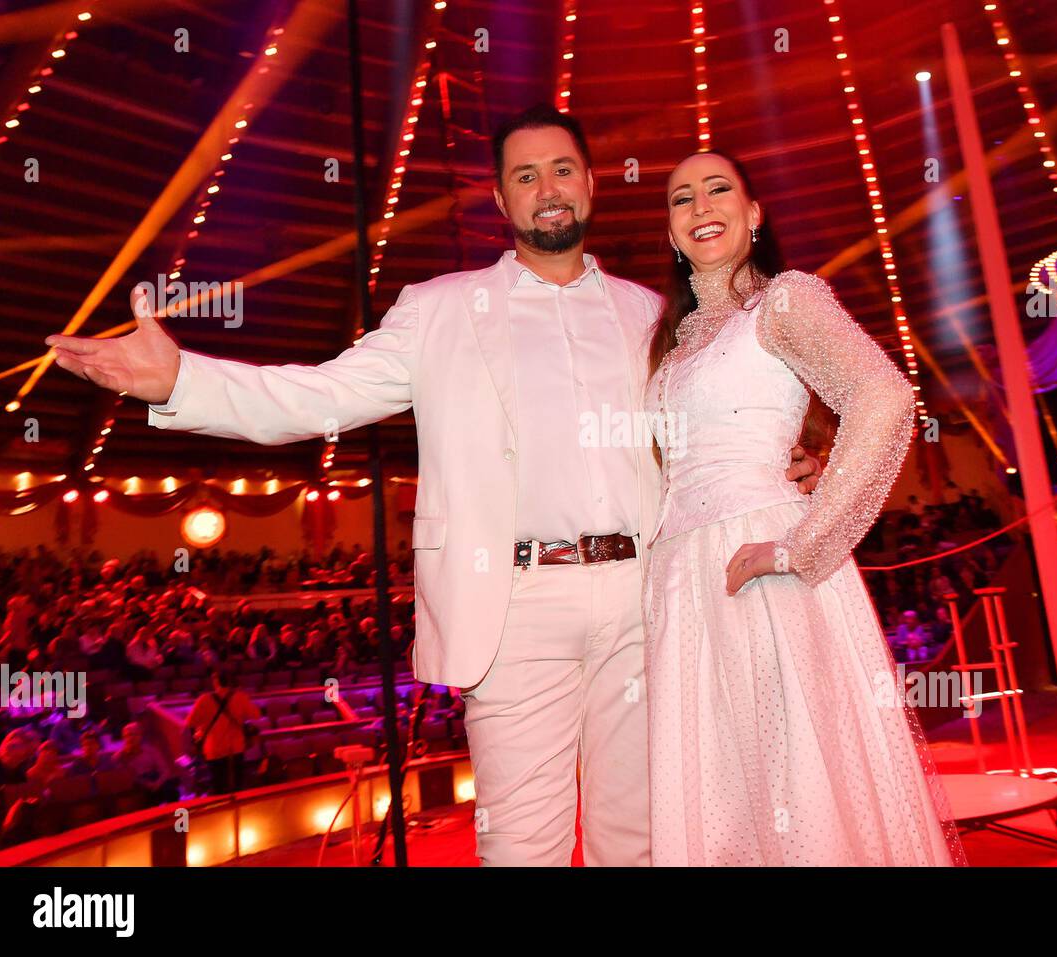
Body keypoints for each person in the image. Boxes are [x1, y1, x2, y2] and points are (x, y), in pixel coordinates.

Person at [43, 105, 819, 865]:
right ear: (502, 199)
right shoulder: (439, 310)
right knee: (520, 848)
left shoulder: (652, 313)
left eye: (560, 170)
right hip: (512, 610)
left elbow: (694, 439)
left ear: (588, 182)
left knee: (645, 841)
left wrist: (770, 464)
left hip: (646, 603)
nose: (546, 188)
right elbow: (320, 396)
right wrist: (178, 378)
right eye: (525, 176)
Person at [641, 150, 966, 866]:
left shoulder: (784, 299)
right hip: (680, 582)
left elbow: (882, 397)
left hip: (762, 564)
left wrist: (803, 541)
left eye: (719, 189)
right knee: (722, 788)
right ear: (669, 231)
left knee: (795, 777)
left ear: (755, 214)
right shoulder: (673, 343)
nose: (700, 206)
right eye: (681, 197)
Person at [184, 668, 261, 795]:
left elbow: (189, 722)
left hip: (214, 749)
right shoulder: (240, 697)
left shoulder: (204, 699)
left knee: (218, 785)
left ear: (215, 682)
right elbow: (256, 715)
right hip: (236, 748)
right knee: (237, 784)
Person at [115, 722, 181, 803]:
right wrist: (146, 784)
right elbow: (127, 778)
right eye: (127, 735)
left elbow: (165, 770)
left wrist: (157, 783)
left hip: (155, 779)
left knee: (172, 790)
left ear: (140, 736)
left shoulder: (151, 750)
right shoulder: (120, 757)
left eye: (134, 734)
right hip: (138, 785)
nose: (131, 738)